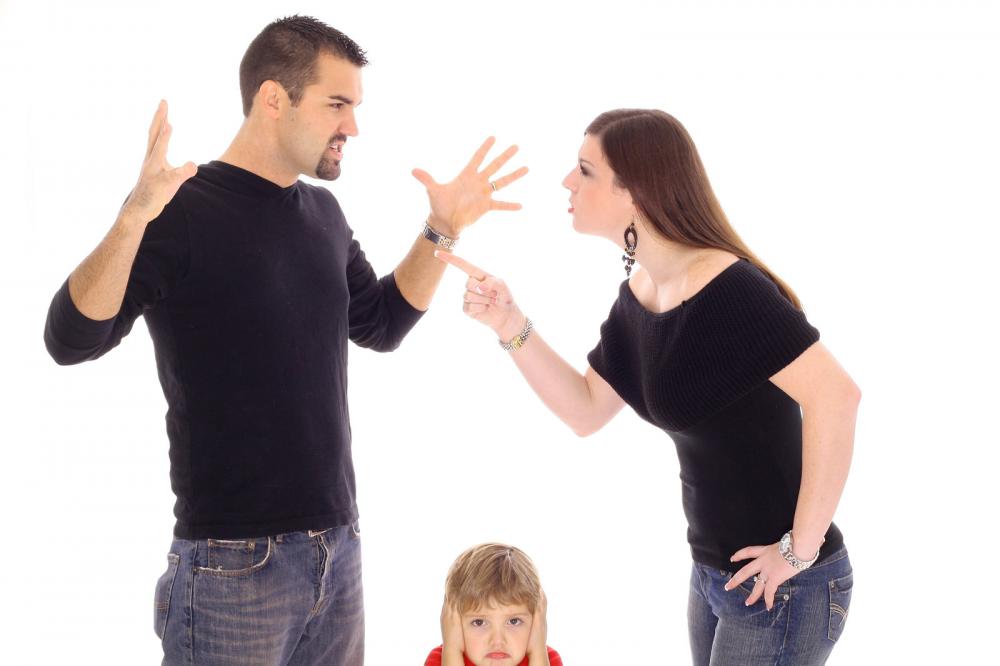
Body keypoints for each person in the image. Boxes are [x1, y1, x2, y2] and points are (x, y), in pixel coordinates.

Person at [42, 15, 526, 665]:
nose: (352, 126)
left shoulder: (322, 214)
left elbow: (380, 324)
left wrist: (440, 229)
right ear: (274, 99)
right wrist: (134, 217)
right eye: (337, 104)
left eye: (354, 107)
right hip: (232, 570)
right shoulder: (181, 211)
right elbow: (71, 340)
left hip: (338, 551)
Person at [437, 109, 859, 665]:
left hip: (782, 585)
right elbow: (586, 410)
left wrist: (797, 552)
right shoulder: (642, 294)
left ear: (633, 192)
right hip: (715, 576)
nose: (567, 182)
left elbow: (837, 396)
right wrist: (510, 324)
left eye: (584, 171)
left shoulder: (729, 288)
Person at [426, 544, 562, 666]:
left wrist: (538, 651)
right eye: (479, 622)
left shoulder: (547, 659)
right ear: (453, 623)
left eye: (514, 621)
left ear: (536, 623)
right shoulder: (441, 659)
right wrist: (452, 648)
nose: (498, 641)